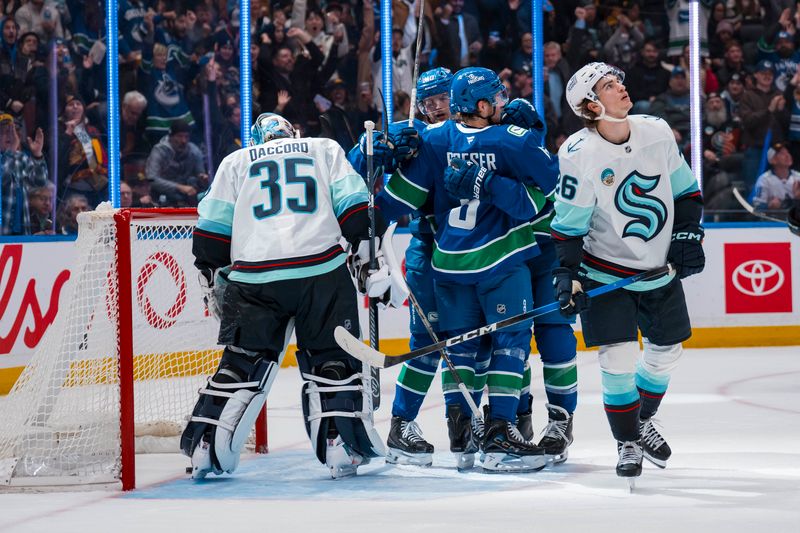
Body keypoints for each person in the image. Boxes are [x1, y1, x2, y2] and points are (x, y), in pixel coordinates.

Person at [181, 112, 402, 480]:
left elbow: (210, 235)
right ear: (291, 131)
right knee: (333, 361)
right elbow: (356, 211)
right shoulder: (323, 148)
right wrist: (369, 263)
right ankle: (339, 444)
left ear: (259, 139)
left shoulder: (236, 161)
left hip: (252, 277)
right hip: (320, 272)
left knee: (241, 362)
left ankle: (205, 446)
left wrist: (214, 281)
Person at [376, 67, 559, 473]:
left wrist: (360, 226)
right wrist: (375, 149)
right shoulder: (505, 138)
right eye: (427, 102)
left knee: (460, 348)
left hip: (446, 260)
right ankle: (497, 434)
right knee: (509, 345)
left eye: (440, 98)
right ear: (480, 104)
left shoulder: (433, 139)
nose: (434, 107)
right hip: (498, 259)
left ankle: (465, 435)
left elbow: (389, 203)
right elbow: (546, 195)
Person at [553, 62, 705, 481]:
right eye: (608, 85)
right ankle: (628, 442)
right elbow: (567, 228)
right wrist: (568, 275)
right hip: (606, 273)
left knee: (666, 353)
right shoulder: (578, 153)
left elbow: (687, 193)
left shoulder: (656, 131)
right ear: (590, 104)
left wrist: (688, 235)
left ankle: (640, 418)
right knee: (618, 359)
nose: (621, 87)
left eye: (619, 80)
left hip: (658, 270)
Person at [0, 112, 47, 235]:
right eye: (4, 132)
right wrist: (11, 152)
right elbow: (2, 180)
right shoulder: (10, 157)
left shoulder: (21, 157)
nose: (10, 136)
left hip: (22, 229)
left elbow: (40, 182)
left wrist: (37, 156)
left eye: (13, 132)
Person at [145, 120, 207, 207]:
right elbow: (152, 178)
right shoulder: (159, 151)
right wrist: (179, 187)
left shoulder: (194, 151)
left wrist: (203, 178)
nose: (183, 141)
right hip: (162, 195)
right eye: (180, 136)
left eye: (186, 137)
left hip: (187, 196)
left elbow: (200, 174)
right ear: (170, 136)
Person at [752, 142, 800, 211]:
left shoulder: (798, 177)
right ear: (772, 160)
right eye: (782, 153)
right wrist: (769, 205)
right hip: (773, 219)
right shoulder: (765, 179)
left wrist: (797, 198)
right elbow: (757, 206)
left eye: (788, 152)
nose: (787, 155)